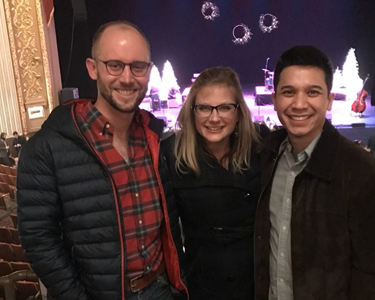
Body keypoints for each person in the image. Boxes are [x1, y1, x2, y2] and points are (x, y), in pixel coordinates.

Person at [17, 21, 187, 300]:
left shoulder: (157, 140)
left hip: (161, 290)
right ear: (92, 68)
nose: (127, 78)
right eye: (114, 65)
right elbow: (38, 240)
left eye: (138, 67)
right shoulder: (47, 148)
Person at [254, 45, 375, 300]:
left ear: (329, 100)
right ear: (274, 100)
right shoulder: (265, 157)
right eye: (288, 92)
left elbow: (371, 277)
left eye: (312, 92)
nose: (299, 104)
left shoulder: (363, 173)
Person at [162, 66, 268, 300]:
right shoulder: (171, 155)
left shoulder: (262, 148)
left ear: (238, 111)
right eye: (204, 108)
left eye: (224, 107)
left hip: (255, 284)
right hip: (201, 285)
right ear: (192, 111)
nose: (214, 117)